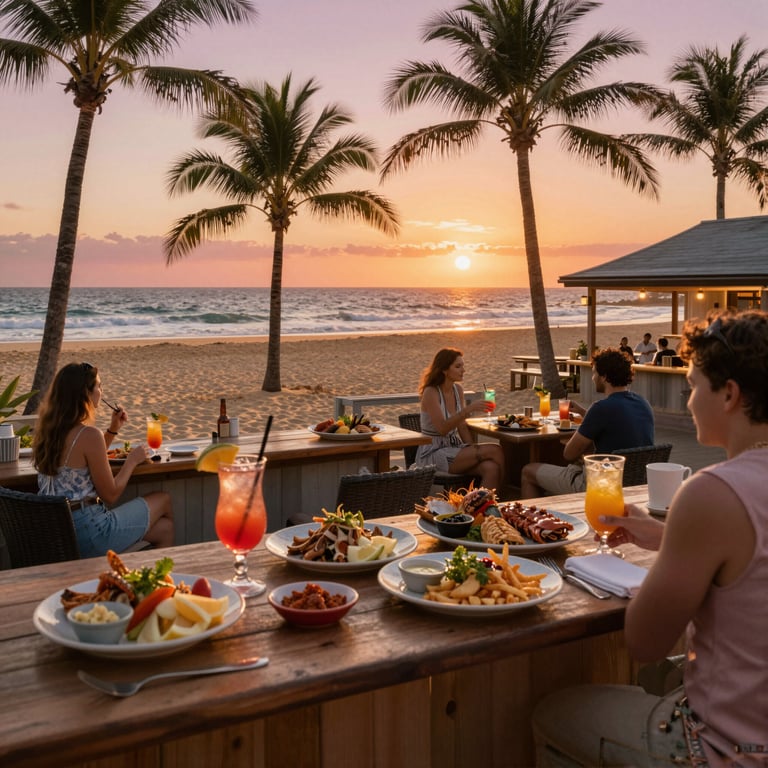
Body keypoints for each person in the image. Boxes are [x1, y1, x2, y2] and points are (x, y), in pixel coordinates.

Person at [531, 310, 768, 767]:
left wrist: (672, 553)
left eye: (694, 385)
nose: (688, 399)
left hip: (725, 749)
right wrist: (666, 536)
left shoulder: (713, 494)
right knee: (659, 678)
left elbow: (644, 641)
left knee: (554, 712)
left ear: (730, 395)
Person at [34, 362, 173, 557]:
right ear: (85, 393)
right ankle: (152, 583)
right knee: (164, 499)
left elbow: (84, 458)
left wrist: (113, 429)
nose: (101, 391)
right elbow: (111, 494)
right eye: (99, 386)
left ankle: (146, 584)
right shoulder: (89, 434)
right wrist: (131, 461)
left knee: (165, 529)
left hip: (56, 534)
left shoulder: (47, 432)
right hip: (90, 533)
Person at [520, 348, 654, 497]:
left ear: (604, 377)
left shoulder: (601, 408)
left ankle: (531, 518)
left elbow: (569, 454)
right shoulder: (643, 403)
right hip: (633, 482)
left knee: (528, 471)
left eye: (594, 373)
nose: (593, 378)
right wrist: (584, 412)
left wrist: (567, 441)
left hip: (599, 484)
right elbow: (616, 422)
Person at [414, 348, 504, 491]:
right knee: (495, 450)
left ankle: (482, 507)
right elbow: (442, 428)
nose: (463, 370)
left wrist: (472, 449)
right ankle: (506, 500)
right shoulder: (431, 392)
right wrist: (468, 409)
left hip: (454, 448)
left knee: (490, 467)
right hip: (433, 452)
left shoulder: (458, 390)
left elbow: (461, 426)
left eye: (463, 365)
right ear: (444, 370)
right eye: (458, 366)